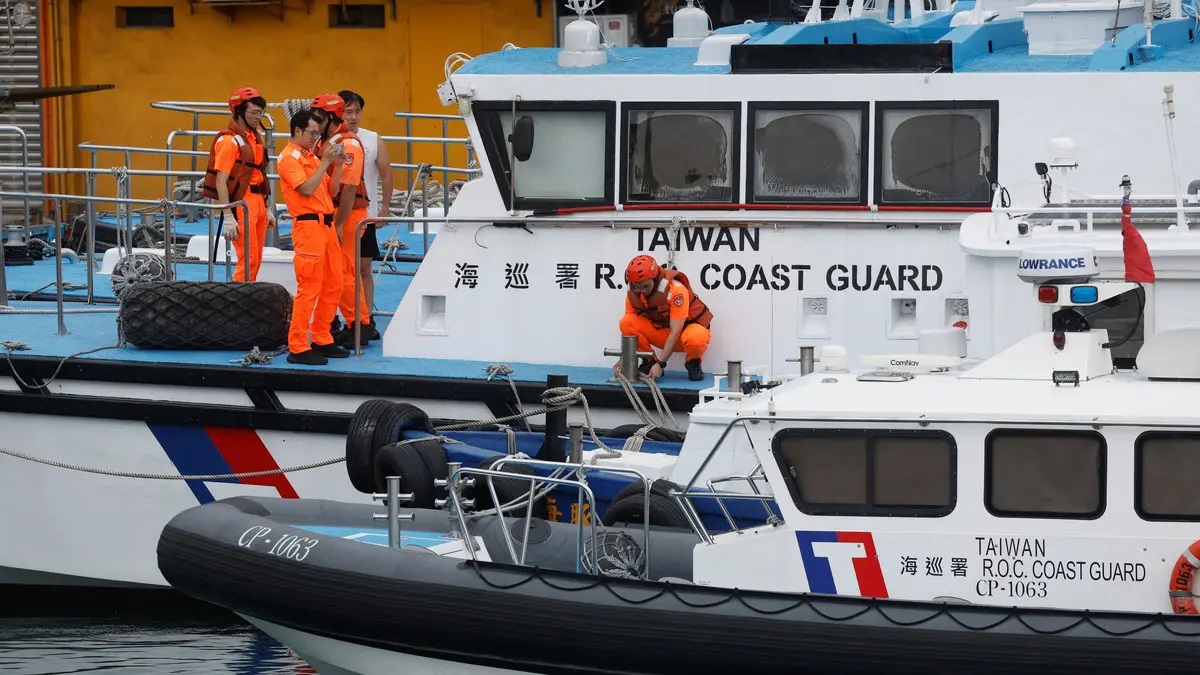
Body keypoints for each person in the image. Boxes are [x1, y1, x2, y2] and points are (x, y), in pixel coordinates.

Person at [277, 108, 347, 366]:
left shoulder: (310, 157)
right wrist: (327, 161)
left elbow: (330, 188)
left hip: (325, 227)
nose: (316, 138)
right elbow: (306, 189)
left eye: (318, 134)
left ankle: (321, 336)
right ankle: (298, 345)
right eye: (312, 133)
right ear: (297, 130)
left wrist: (337, 165)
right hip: (308, 228)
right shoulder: (288, 159)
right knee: (309, 288)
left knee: (333, 284)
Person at [310, 92, 372, 349]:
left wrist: (337, 224)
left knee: (345, 272)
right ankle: (349, 321)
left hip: (346, 215)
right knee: (334, 272)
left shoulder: (348, 145)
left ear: (330, 118)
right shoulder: (327, 142)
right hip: (331, 214)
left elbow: (348, 189)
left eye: (318, 117)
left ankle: (360, 324)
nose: (314, 122)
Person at [201, 86, 275, 282]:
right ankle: (238, 302)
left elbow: (260, 173)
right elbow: (221, 181)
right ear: (238, 111)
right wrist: (228, 216)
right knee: (248, 258)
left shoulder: (253, 138)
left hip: (258, 202)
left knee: (256, 258)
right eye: (254, 112)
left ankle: (247, 298)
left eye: (261, 112)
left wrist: (267, 208)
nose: (258, 117)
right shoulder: (229, 141)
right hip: (243, 205)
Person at [338, 89, 393, 342]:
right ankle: (341, 319)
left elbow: (386, 174)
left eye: (357, 111)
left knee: (363, 269)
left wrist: (383, 209)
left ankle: (366, 318)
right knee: (339, 271)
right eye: (348, 111)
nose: (353, 116)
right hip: (338, 217)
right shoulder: (333, 139)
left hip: (365, 216)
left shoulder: (373, 139)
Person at [613, 255, 713, 382]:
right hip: (662, 334)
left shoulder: (676, 290)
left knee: (696, 337)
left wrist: (661, 364)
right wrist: (623, 359)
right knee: (626, 322)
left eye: (645, 286)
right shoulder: (634, 293)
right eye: (636, 286)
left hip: (683, 335)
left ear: (655, 280)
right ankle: (649, 361)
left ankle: (693, 362)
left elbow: (676, 331)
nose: (641, 290)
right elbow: (629, 331)